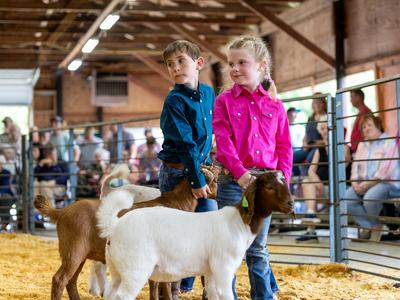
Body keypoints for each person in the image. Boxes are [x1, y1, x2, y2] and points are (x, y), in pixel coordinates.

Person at [212, 35, 292, 300]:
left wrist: (283, 181)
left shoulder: (275, 105)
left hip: (266, 184)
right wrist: (241, 174)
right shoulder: (223, 101)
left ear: (261, 65)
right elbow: (223, 145)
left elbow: (284, 146)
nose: (234, 69)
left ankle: (264, 297)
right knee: (228, 248)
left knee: (258, 248)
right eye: (230, 63)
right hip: (234, 182)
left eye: (242, 62)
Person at [157, 39, 217, 297]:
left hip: (201, 169)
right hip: (176, 172)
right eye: (170, 64)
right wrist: (196, 180)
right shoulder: (174, 101)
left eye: (181, 61)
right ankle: (173, 289)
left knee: (208, 227)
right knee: (176, 233)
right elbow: (185, 143)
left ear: (199, 63)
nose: (176, 67)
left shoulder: (209, 93)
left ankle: (206, 288)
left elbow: (210, 131)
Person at [295, 115, 351, 242]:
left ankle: (311, 227)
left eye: (327, 128)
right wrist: (318, 182)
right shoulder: (319, 150)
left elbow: (342, 167)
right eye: (323, 129)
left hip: (339, 188)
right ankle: (311, 216)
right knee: (308, 182)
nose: (325, 131)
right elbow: (311, 171)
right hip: (322, 188)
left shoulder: (343, 147)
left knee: (310, 188)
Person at [346, 114, 398, 242]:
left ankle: (372, 228)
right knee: (346, 198)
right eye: (363, 127)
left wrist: (368, 184)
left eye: (369, 125)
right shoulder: (362, 145)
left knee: (370, 197)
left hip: (387, 183)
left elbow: (386, 170)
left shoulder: (389, 142)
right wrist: (354, 182)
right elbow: (355, 165)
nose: (366, 129)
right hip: (363, 183)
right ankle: (372, 226)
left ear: (378, 126)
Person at [292, 95, 327, 176]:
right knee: (293, 157)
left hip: (319, 147)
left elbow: (328, 138)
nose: (317, 104)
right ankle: (298, 179)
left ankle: (307, 179)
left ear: (324, 104)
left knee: (309, 159)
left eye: (319, 102)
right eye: (315, 102)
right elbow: (306, 134)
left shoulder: (327, 117)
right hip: (308, 147)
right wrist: (304, 142)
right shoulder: (311, 118)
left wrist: (314, 143)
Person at [34, 143, 69, 207]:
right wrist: (40, 164)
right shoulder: (43, 165)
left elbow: (66, 176)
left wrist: (55, 181)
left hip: (58, 186)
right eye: (50, 155)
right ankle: (35, 211)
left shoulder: (62, 163)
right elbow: (34, 175)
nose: (53, 157)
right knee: (35, 184)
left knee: (43, 184)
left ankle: (50, 211)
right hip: (43, 185)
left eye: (54, 154)